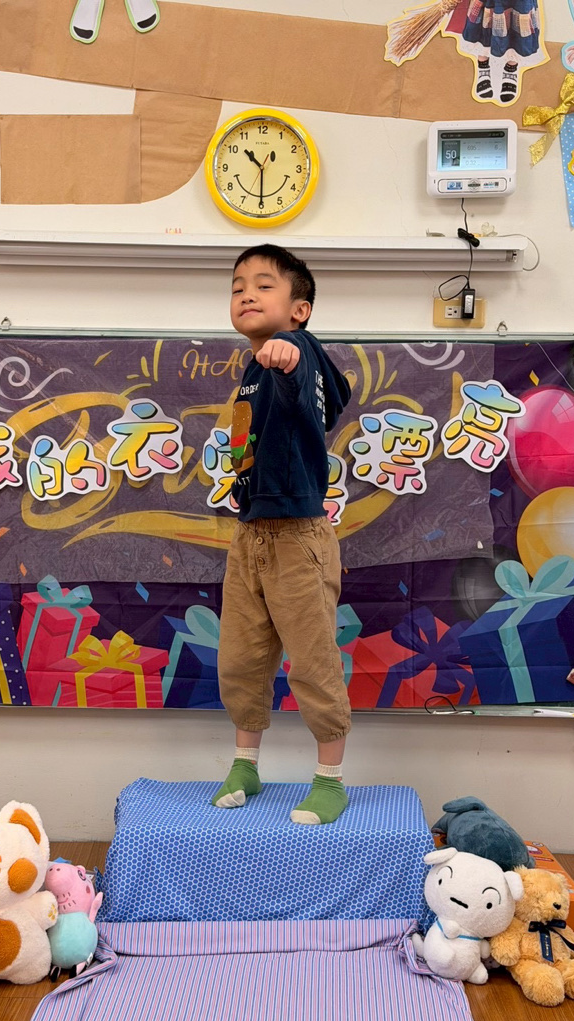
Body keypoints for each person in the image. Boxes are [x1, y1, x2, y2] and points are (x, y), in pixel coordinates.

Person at [211, 244, 353, 826]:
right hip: (251, 536)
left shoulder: (293, 350)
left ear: (300, 310)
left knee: (312, 663)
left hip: (297, 536)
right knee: (241, 659)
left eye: (264, 285)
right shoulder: (254, 368)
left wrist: (288, 354)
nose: (247, 293)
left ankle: (330, 780)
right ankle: (245, 764)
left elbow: (306, 373)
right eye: (238, 286)